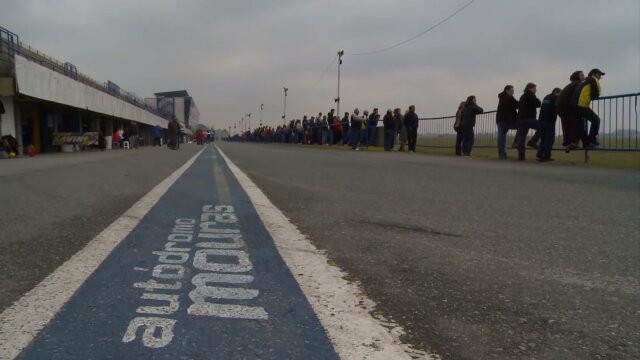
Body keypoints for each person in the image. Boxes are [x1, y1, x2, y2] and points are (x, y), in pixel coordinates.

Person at [572, 68, 605, 149]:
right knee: (596, 120)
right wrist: (593, 97)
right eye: (599, 74)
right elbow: (596, 93)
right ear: (594, 74)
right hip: (581, 104)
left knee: (580, 126)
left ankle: (586, 143)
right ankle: (591, 140)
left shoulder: (584, 80)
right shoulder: (594, 79)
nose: (600, 77)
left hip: (573, 105)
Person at [556, 71, 585, 152]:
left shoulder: (572, 84)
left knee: (567, 124)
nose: (584, 76)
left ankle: (567, 143)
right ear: (577, 76)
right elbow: (579, 95)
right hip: (566, 105)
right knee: (577, 123)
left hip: (559, 105)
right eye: (581, 74)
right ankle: (573, 143)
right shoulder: (578, 84)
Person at [516, 83, 541, 160]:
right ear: (530, 88)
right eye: (534, 88)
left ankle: (521, 155)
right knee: (543, 127)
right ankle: (533, 141)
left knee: (521, 138)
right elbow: (538, 103)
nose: (536, 90)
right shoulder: (530, 95)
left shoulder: (522, 96)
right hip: (529, 118)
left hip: (520, 119)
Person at [536, 88, 562, 162]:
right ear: (556, 92)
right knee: (549, 139)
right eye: (560, 93)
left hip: (541, 120)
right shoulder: (556, 98)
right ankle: (546, 156)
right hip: (549, 121)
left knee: (543, 139)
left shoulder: (546, 97)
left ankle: (539, 154)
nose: (560, 95)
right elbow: (558, 107)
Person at [496, 85, 519, 159]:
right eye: (512, 90)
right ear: (507, 90)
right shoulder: (509, 97)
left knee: (501, 137)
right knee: (522, 126)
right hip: (507, 120)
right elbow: (517, 105)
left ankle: (502, 154)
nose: (513, 92)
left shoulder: (501, 97)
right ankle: (515, 142)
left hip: (500, 119)